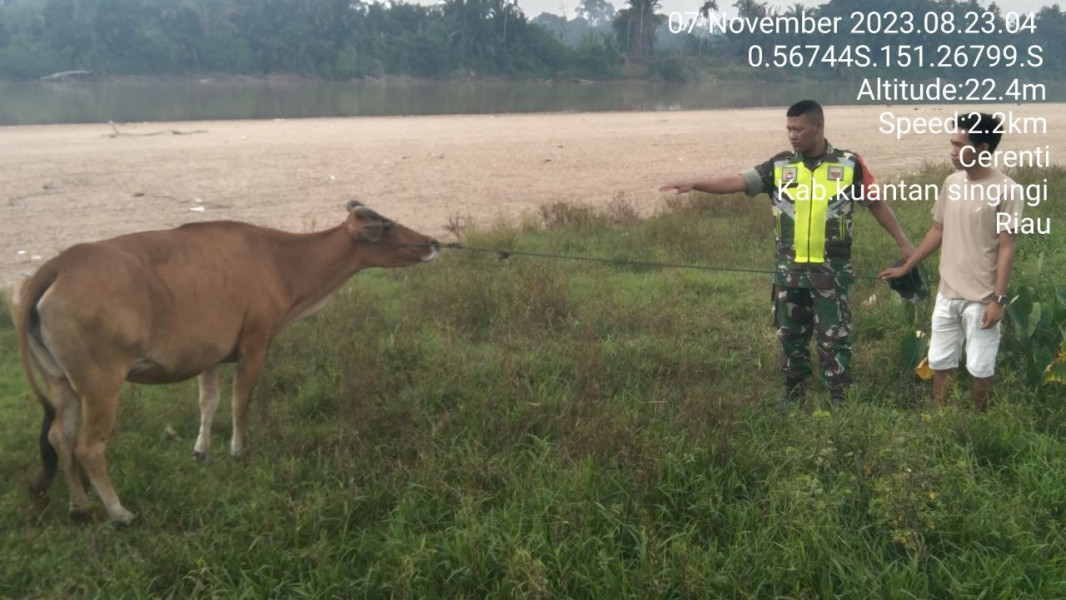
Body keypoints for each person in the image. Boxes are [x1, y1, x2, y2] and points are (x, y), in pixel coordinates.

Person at [661, 100, 915, 405]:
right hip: (789, 274)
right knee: (790, 337)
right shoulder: (779, 166)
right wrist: (695, 183)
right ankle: (794, 394)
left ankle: (840, 399)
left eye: (798, 129)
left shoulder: (849, 164)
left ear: (818, 127)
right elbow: (738, 181)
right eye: (789, 129)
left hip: (831, 274)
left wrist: (904, 244)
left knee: (834, 338)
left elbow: (876, 204)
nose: (792, 135)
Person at [880, 112, 1024, 410]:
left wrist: (998, 300)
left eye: (960, 145)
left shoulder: (1007, 189)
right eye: (952, 144)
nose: (952, 151)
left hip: (983, 298)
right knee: (940, 361)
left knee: (980, 368)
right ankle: (940, 418)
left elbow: (1007, 246)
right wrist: (907, 266)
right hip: (947, 294)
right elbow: (938, 230)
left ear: (982, 148)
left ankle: (978, 422)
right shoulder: (952, 182)